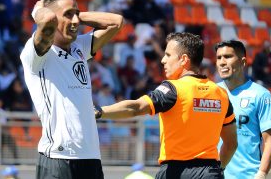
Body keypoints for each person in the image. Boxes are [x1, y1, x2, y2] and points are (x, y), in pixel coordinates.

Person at [95, 32, 237, 179]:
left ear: (183, 60)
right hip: (210, 172)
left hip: (175, 172)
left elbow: (136, 107)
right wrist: (218, 170)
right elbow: (231, 144)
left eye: (168, 55)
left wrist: (99, 111)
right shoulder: (221, 93)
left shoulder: (173, 88)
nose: (163, 60)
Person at [20, 0, 123, 179]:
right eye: (68, 15)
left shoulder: (80, 48)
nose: (75, 21)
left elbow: (116, 22)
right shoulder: (37, 54)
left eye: (76, 14)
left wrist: (74, 14)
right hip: (58, 159)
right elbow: (48, 21)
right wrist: (37, 10)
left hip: (91, 157)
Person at [215, 40, 271, 179]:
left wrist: (261, 174)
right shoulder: (211, 92)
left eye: (228, 57)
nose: (222, 62)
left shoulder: (260, 94)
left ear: (243, 62)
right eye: (219, 58)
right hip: (213, 176)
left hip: (248, 176)